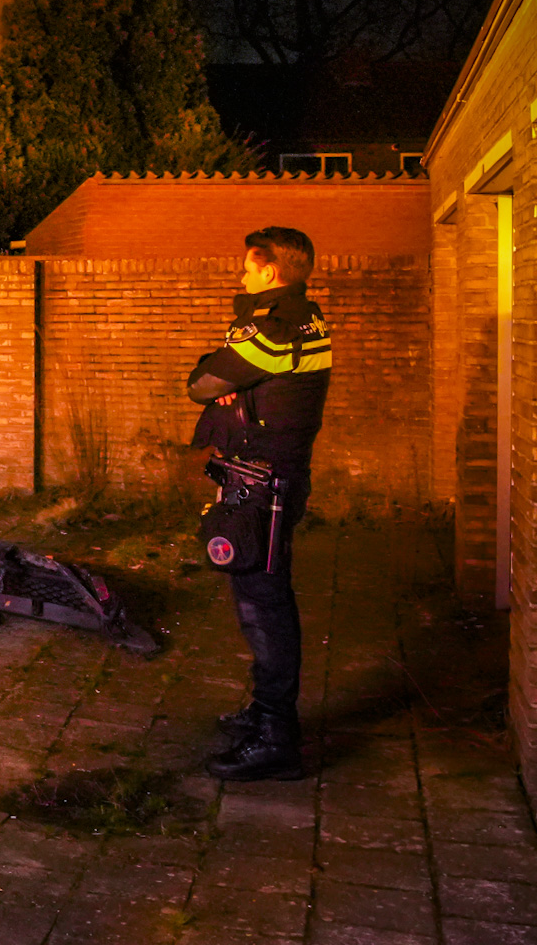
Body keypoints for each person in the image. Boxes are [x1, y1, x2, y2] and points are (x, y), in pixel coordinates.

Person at [185, 227, 332, 782]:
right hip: (268, 478)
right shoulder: (301, 319)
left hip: (264, 484)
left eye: (248, 268)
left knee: (263, 604)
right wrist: (234, 375)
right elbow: (225, 369)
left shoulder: (273, 329)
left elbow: (201, 382)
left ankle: (277, 736)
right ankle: (266, 712)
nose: (242, 276)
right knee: (257, 596)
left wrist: (225, 376)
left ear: (270, 272)